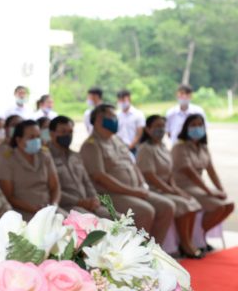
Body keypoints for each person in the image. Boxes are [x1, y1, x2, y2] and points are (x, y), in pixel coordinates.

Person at [80, 105, 174, 242]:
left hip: (133, 190)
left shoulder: (116, 140)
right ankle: (138, 249)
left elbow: (132, 164)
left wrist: (142, 185)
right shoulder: (91, 145)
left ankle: (155, 248)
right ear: (99, 119)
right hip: (110, 194)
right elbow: (100, 177)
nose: (115, 120)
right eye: (112, 117)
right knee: (145, 211)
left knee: (167, 206)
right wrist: (133, 192)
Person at [136, 116, 203, 258]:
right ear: (147, 129)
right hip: (154, 189)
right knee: (183, 205)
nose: (160, 129)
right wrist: (171, 191)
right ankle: (185, 245)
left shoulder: (163, 147)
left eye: (162, 126)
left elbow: (170, 173)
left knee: (192, 202)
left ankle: (187, 242)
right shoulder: (145, 149)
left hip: (167, 189)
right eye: (157, 126)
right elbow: (150, 176)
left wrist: (177, 190)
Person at [172, 113, 234, 238]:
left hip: (199, 187)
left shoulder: (203, 147)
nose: (197, 128)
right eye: (193, 125)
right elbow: (190, 173)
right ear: (186, 128)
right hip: (183, 187)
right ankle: (197, 238)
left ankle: (200, 235)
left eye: (200, 125)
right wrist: (209, 192)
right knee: (218, 207)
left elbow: (211, 171)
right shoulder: (179, 147)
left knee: (229, 205)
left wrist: (221, 189)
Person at [0, 120, 60, 221]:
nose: (36, 140)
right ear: (18, 140)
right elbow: (8, 196)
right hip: (23, 212)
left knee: (71, 225)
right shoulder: (8, 159)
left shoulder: (44, 155)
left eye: (38, 137)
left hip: (48, 209)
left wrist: (54, 205)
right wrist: (34, 209)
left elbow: (55, 186)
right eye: (31, 137)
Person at [48, 117, 107, 217]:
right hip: (68, 206)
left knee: (118, 219)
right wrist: (79, 202)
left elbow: (86, 182)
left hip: (89, 204)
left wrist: (94, 198)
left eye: (70, 132)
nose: (68, 135)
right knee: (95, 222)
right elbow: (51, 189)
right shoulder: (47, 158)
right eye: (63, 132)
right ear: (52, 134)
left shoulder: (75, 155)